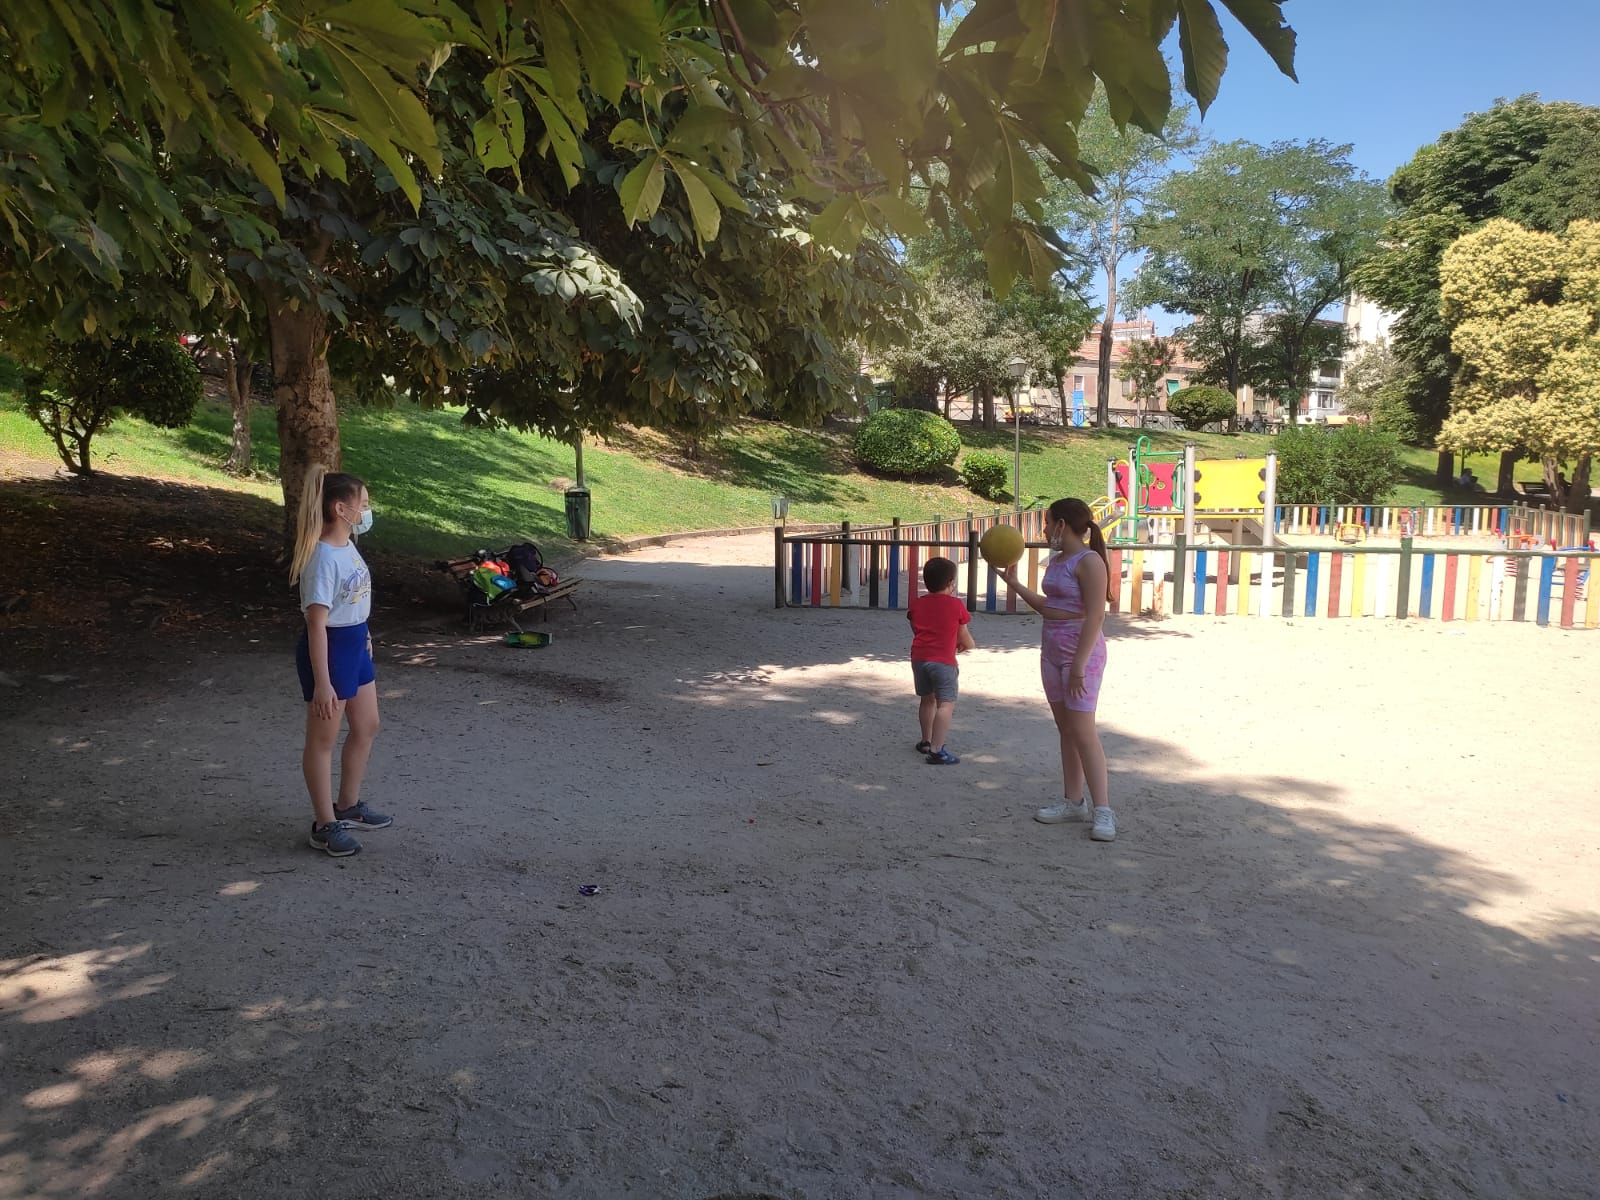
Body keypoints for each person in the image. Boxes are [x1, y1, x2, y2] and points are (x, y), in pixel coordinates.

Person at [289, 465, 391, 856]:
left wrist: (365, 635)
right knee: (322, 741)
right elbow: (316, 625)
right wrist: (323, 683)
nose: (366, 511)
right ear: (340, 509)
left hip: (354, 645)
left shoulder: (348, 546)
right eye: (362, 504)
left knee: (367, 725)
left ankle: (347, 805)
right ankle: (323, 825)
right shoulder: (322, 559)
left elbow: (354, 600)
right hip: (329, 652)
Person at [1001, 498, 1116, 841]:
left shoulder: (1089, 561)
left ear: (1062, 524)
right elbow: (1048, 607)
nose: (1045, 529)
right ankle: (1073, 801)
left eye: (1048, 522)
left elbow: (1096, 615)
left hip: (1081, 655)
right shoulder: (1057, 561)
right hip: (1051, 650)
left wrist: (1079, 664)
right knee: (1066, 729)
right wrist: (1014, 584)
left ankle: (1104, 810)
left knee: (1083, 731)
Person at [906, 556, 976, 765]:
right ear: (950, 583)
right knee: (945, 704)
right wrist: (968, 645)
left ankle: (926, 741)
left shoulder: (917, 604)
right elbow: (963, 635)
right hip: (943, 661)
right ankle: (937, 750)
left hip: (919, 658)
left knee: (926, 699)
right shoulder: (956, 605)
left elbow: (916, 629)